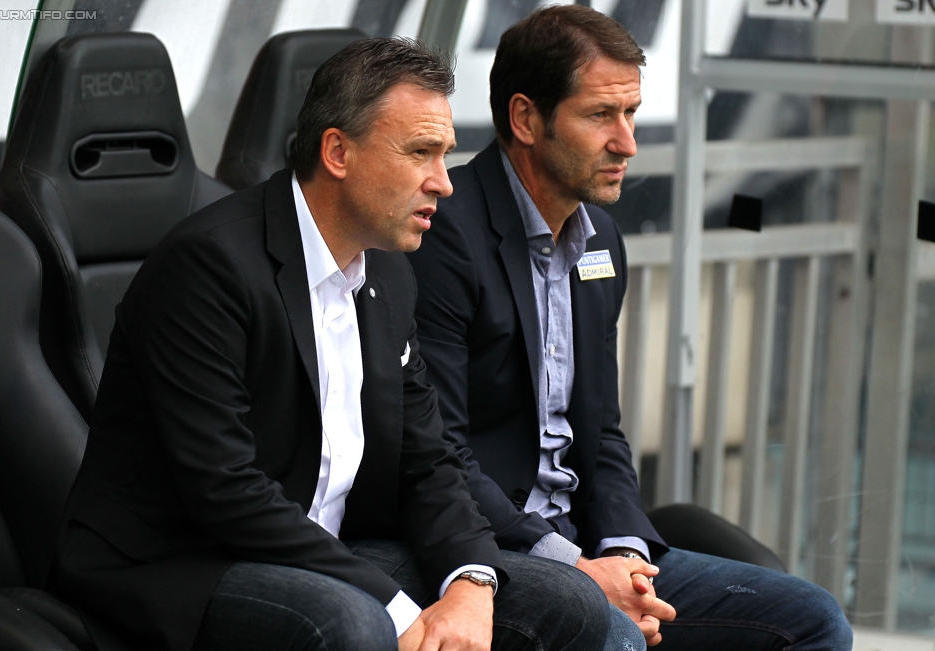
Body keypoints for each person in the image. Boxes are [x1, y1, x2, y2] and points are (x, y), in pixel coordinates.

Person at [50, 37, 620, 651]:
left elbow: (427, 461)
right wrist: (403, 609)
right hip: (181, 560)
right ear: (337, 152)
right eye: (421, 153)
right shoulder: (208, 266)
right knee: (355, 623)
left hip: (323, 548)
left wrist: (470, 582)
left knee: (566, 601)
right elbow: (224, 489)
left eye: (445, 154)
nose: (444, 183)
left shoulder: (391, 272)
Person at [406, 5, 854, 650]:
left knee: (811, 618)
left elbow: (601, 429)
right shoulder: (442, 232)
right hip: (492, 549)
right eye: (600, 116)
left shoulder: (600, 240)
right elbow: (439, 452)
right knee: (613, 635)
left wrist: (624, 554)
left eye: (631, 113)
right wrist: (579, 569)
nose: (628, 142)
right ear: (526, 119)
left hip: (589, 545)